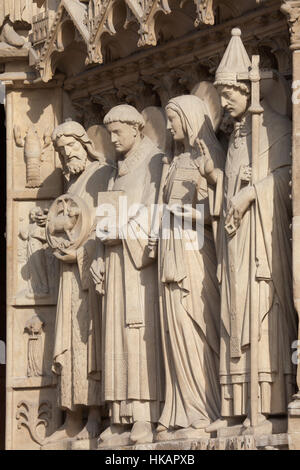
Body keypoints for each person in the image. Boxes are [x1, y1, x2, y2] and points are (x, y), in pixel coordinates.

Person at [199, 29, 298, 432]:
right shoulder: (236, 135)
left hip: (262, 242)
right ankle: (236, 408)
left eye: (230, 94)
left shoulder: (273, 127)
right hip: (235, 240)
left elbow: (287, 180)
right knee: (233, 317)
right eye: (221, 95)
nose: (224, 102)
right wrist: (219, 181)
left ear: (248, 89)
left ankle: (267, 406)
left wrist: (253, 193)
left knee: (260, 315)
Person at [155, 94, 224, 439]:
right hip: (171, 254)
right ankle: (180, 406)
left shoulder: (207, 158)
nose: (168, 127)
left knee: (196, 323)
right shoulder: (171, 164)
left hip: (196, 254)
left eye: (173, 120)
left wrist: (192, 210)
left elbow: (219, 212)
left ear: (190, 118)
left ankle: (204, 406)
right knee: (174, 329)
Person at [97, 104, 164, 446]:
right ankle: (119, 414)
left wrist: (123, 228)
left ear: (136, 129)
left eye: (117, 132)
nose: (112, 139)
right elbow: (105, 220)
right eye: (108, 134)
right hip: (116, 262)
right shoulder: (116, 171)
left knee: (139, 335)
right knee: (116, 337)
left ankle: (144, 415)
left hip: (140, 268)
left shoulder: (154, 163)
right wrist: (99, 256)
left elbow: (157, 214)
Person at [45, 120, 112, 443]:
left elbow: (111, 222)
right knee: (69, 341)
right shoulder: (72, 185)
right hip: (69, 276)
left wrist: (85, 255)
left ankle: (96, 415)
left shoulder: (102, 174)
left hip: (91, 273)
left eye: (70, 146)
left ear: (85, 144)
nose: (66, 154)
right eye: (60, 150)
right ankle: (71, 416)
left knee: (90, 342)